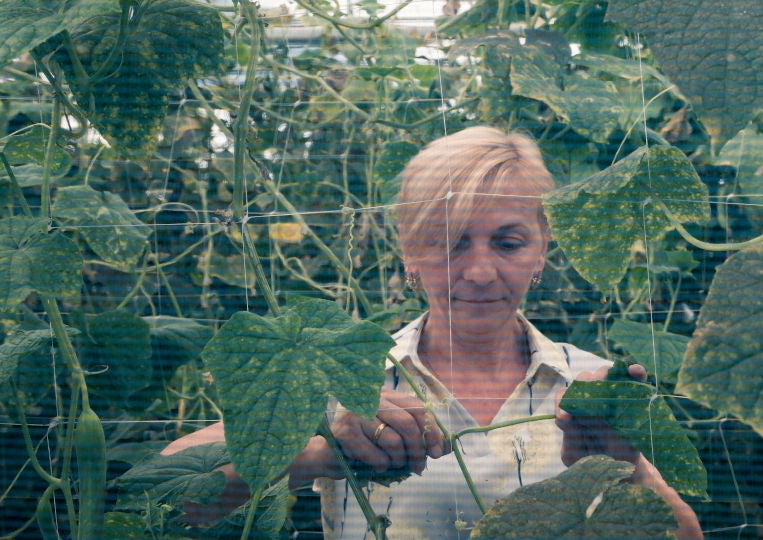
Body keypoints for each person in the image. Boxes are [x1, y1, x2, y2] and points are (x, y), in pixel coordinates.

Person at [163, 126, 701, 538]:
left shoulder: (588, 383)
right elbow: (169, 494)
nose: (480, 271)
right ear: (410, 253)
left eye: (509, 243)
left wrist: (626, 471)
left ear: (542, 250)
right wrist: (322, 452)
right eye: (450, 243)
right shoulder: (349, 373)